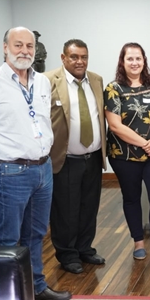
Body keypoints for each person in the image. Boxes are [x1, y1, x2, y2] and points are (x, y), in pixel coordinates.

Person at [0, 27, 71, 300]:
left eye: (29, 46)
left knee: (35, 235)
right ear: (5, 48)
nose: (25, 51)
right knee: (9, 238)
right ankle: (6, 297)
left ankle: (36, 287)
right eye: (18, 45)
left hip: (43, 170)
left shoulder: (43, 82)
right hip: (11, 172)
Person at [104, 42, 150, 261]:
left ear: (144, 61)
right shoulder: (114, 88)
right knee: (131, 198)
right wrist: (145, 143)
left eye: (138, 58)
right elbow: (115, 125)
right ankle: (138, 242)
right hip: (125, 156)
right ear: (122, 62)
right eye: (130, 59)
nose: (135, 63)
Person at [44, 39, 106, 274]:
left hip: (93, 157)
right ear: (63, 58)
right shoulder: (48, 81)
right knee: (65, 211)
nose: (80, 61)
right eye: (74, 57)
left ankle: (85, 249)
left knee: (89, 207)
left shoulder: (97, 80)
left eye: (84, 57)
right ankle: (67, 254)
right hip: (66, 159)